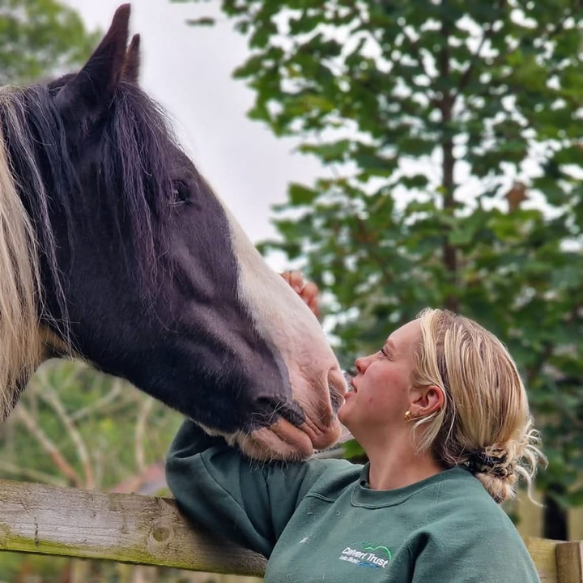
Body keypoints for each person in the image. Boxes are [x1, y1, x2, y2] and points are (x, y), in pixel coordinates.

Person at [166, 272, 544, 583]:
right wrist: (262, 346)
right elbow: (201, 462)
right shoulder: (318, 492)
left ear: (424, 400)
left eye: (385, 353)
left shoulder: (472, 537)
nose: (362, 361)